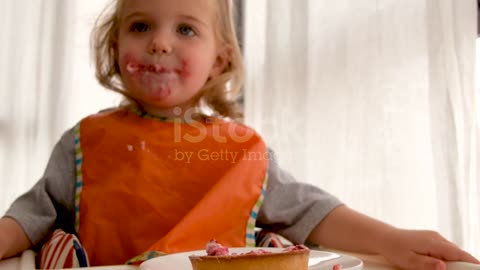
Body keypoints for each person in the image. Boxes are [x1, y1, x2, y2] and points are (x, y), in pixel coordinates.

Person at [0, 0, 478, 269]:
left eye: (186, 30)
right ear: (115, 46)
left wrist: (392, 240)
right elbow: (32, 214)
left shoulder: (240, 149)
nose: (160, 42)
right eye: (140, 26)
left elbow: (310, 211)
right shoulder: (85, 140)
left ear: (221, 60)